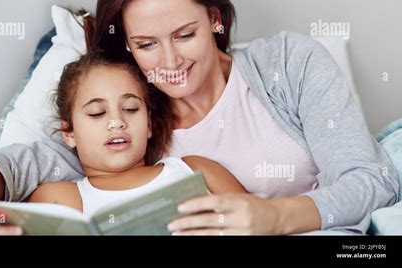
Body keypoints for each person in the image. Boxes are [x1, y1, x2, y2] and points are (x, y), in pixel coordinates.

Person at [0, 0, 398, 235]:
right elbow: (14, 165)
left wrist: (276, 217)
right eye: (147, 44)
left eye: (185, 35)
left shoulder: (288, 64)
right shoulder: (127, 120)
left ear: (215, 19)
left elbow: (373, 180)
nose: (170, 63)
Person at [29, 51, 245, 218]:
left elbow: (261, 224)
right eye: (98, 113)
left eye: (131, 109)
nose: (117, 123)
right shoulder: (59, 199)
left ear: (149, 124)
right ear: (69, 133)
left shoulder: (196, 170)